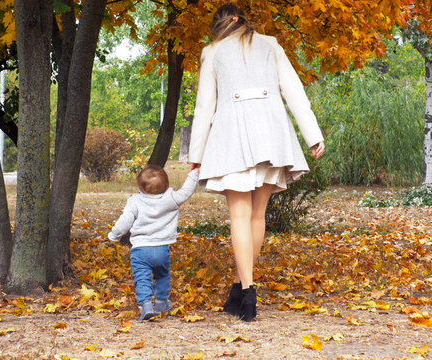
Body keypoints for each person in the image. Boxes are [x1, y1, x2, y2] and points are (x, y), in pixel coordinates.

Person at [188, 4, 325, 322]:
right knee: (257, 214)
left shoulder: (212, 52)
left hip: (233, 131)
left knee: (240, 214)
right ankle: (239, 289)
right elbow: (294, 91)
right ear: (242, 20)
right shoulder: (271, 43)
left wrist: (196, 155)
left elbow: (205, 104)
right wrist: (312, 134)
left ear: (224, 23)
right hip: (272, 130)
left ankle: (248, 292)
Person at [108, 165, 199, 320]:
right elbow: (186, 191)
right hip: (162, 248)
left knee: (142, 277)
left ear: (140, 187)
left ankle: (146, 305)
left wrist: (114, 235)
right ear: (166, 185)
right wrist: (194, 174)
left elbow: (125, 221)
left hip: (140, 250)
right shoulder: (170, 199)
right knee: (162, 275)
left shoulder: (135, 201)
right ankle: (162, 301)